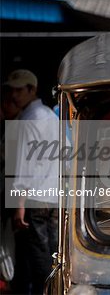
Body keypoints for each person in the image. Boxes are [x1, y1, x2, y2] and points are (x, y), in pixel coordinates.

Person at [3, 69, 59, 294]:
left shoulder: (28, 120)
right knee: (52, 252)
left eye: (19, 90)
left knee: (37, 256)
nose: (15, 95)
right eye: (12, 90)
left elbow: (24, 167)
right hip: (52, 196)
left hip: (35, 197)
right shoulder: (49, 116)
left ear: (31, 89)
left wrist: (19, 204)